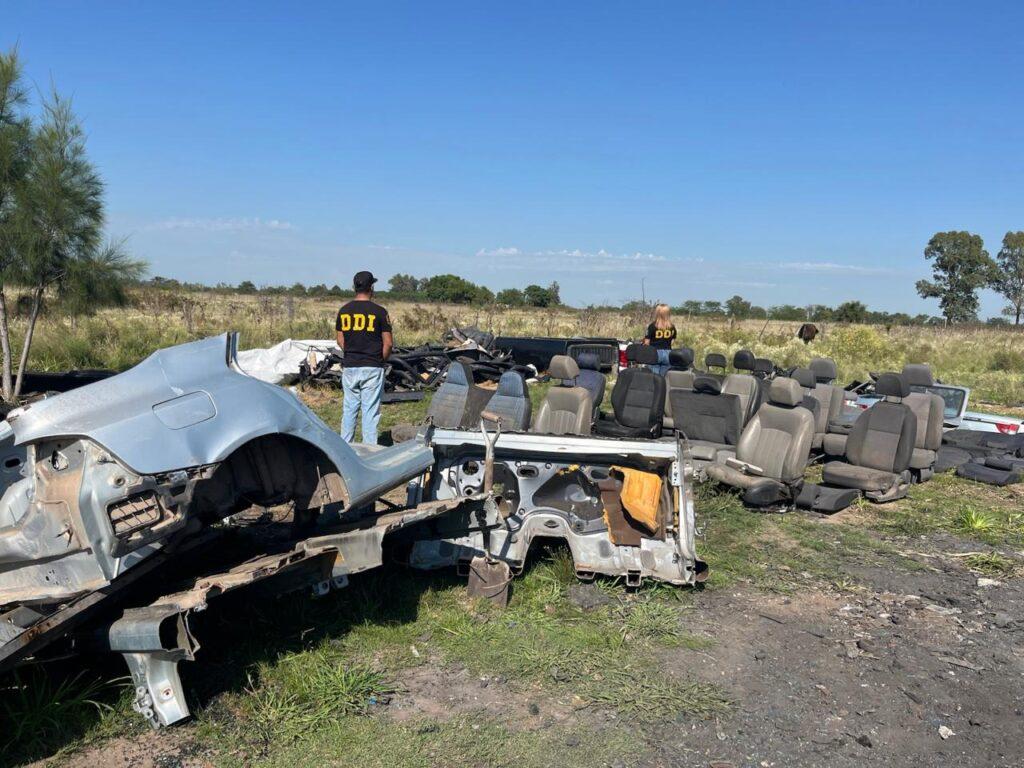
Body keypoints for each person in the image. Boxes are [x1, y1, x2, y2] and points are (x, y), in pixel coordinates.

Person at [336, 270, 393, 444]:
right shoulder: (380, 312)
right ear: (371, 288)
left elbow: (340, 339)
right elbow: (388, 343)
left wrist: (352, 352)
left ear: (354, 287)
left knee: (349, 409)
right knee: (370, 412)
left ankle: (346, 447)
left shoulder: (344, 311)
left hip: (350, 366)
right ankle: (369, 451)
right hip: (372, 366)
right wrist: (380, 360)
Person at [643, 303, 676, 375]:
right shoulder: (672, 327)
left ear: (657, 313)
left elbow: (646, 342)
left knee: (654, 377)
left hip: (655, 353)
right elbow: (672, 341)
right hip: (668, 354)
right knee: (663, 378)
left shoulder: (652, 326)